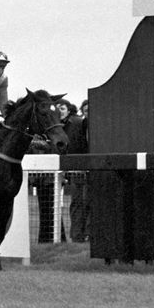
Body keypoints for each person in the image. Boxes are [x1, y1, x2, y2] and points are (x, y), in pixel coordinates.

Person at [61, 98, 90, 242]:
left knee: (88, 202)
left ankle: (88, 234)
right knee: (78, 202)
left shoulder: (78, 123)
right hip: (78, 169)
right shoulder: (77, 124)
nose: (88, 114)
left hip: (90, 168)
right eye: (85, 111)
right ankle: (77, 235)